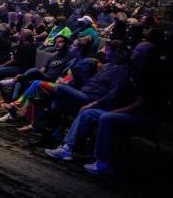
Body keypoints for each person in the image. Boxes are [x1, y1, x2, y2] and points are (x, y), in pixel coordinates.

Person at [44, 42, 161, 175]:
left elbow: (138, 105)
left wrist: (111, 110)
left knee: (106, 117)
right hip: (126, 110)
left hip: (144, 117)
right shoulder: (134, 69)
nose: (133, 51)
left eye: (138, 51)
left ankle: (104, 162)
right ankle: (69, 148)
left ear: (147, 56)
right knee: (87, 112)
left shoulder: (149, 75)